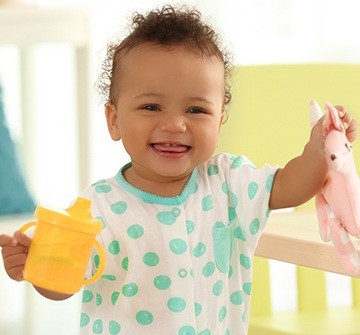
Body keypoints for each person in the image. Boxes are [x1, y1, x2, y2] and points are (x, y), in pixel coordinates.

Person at [0, 5, 357, 335]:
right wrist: (37, 266)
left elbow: (291, 187)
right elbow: (66, 282)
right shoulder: (99, 207)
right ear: (114, 120)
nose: (174, 124)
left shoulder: (230, 181)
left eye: (196, 111)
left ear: (221, 121)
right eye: (152, 106)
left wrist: (318, 150)